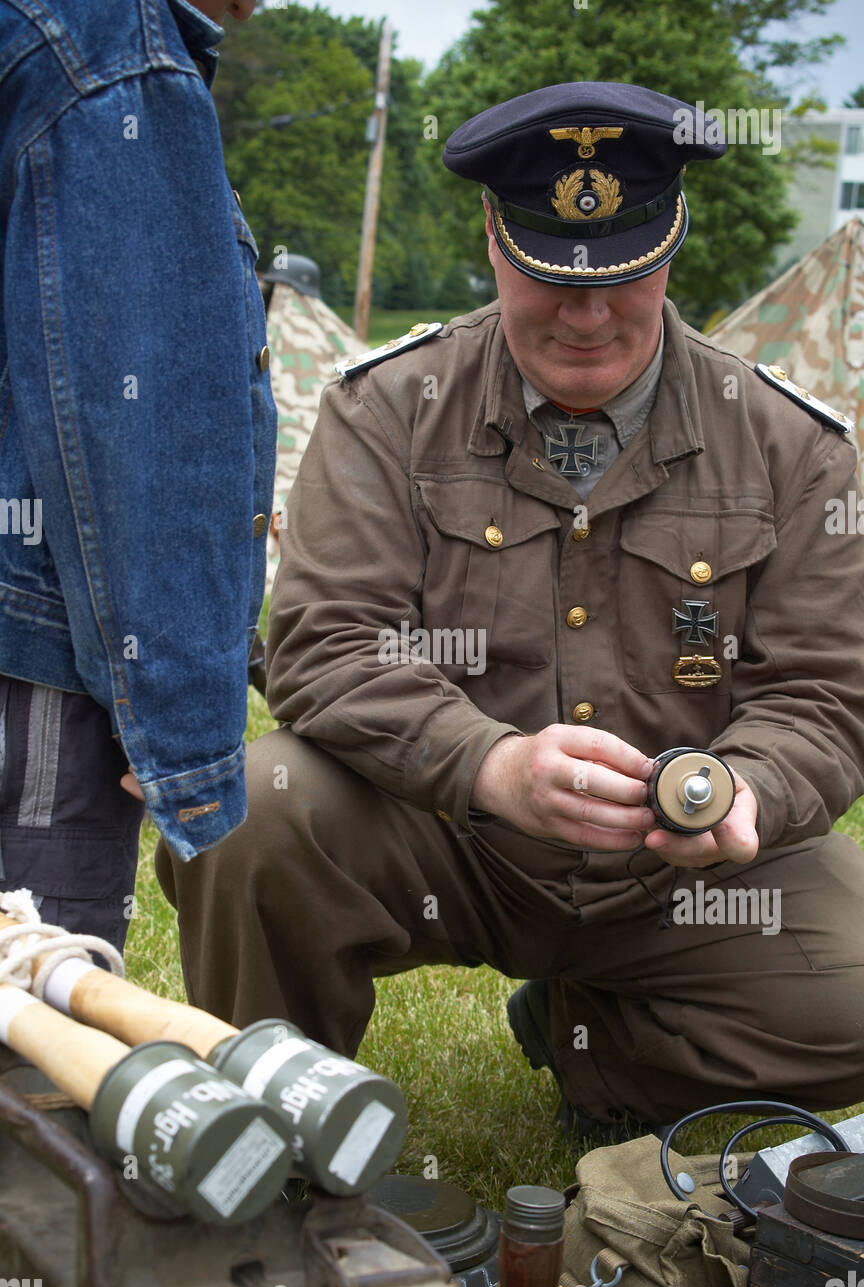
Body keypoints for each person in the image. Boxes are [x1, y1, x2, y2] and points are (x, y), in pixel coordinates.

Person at [156, 82, 864, 1139]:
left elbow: (824, 693)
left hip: (673, 876)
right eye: (549, 276)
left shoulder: (790, 444)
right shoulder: (390, 409)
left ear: (671, 245)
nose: (587, 317)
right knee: (254, 810)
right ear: (494, 238)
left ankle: (604, 1050)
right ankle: (274, 1129)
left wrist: (744, 789)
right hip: (446, 838)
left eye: (623, 279)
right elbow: (323, 642)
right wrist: (488, 765)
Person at [0, 0, 274, 953]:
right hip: (37, 657)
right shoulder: (114, 48)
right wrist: (179, 713)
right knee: (35, 1018)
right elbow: (149, 416)